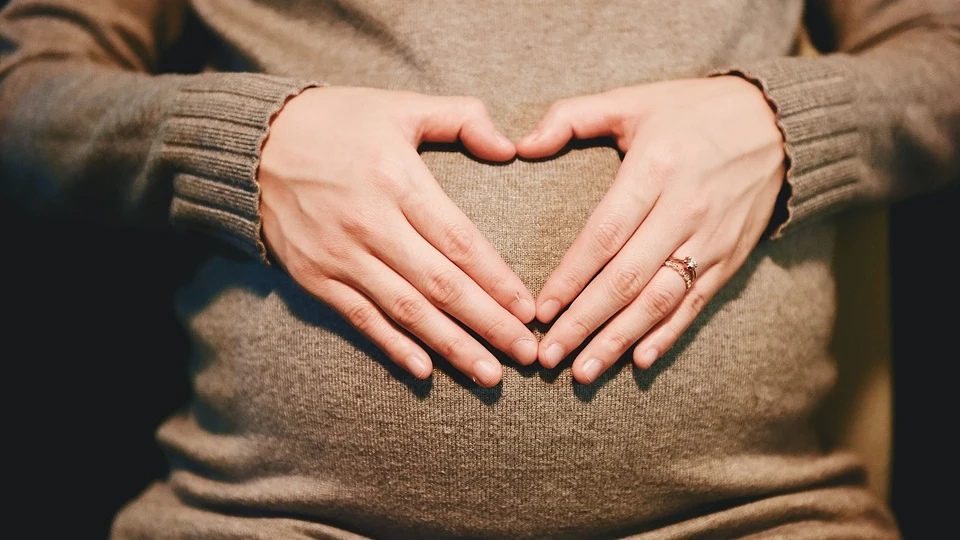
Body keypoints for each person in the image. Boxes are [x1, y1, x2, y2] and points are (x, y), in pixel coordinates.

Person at [1, 0, 956, 538]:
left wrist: (786, 124)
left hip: (757, 520)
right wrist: (240, 145)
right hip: (262, 521)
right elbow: (25, 88)